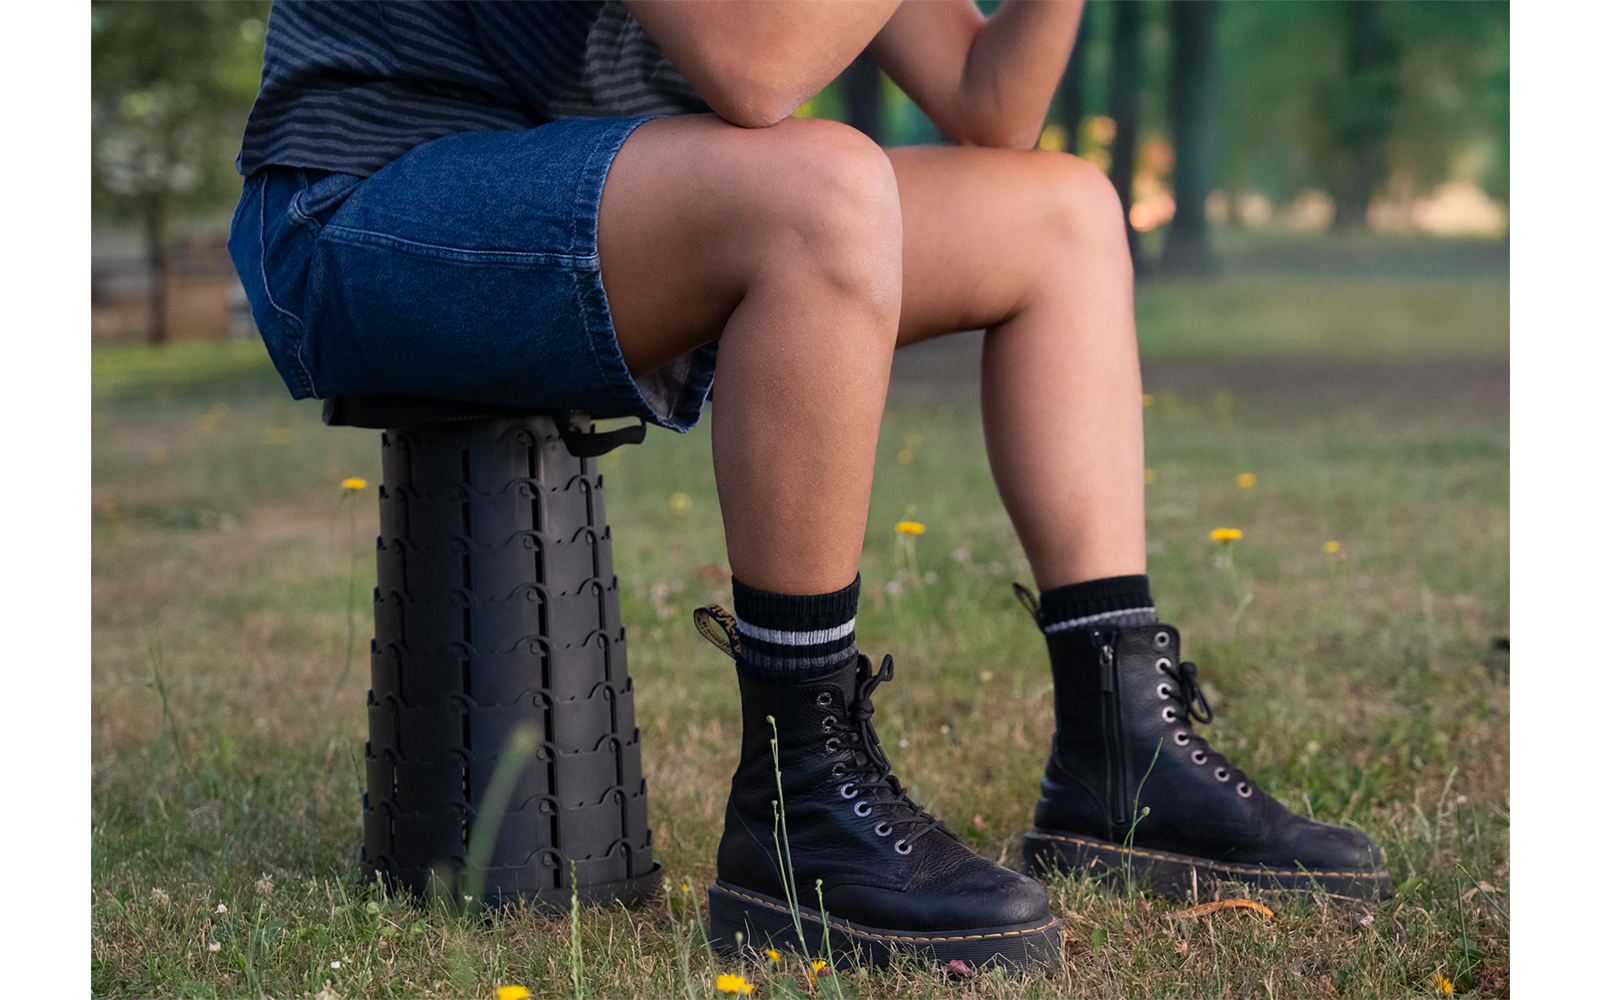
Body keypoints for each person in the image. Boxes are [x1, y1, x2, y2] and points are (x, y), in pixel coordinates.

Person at [229, 0, 1389, 970]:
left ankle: (1119, 748)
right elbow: (757, 66)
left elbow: (992, 102)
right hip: (361, 220)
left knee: (1063, 215)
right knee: (820, 184)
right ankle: (797, 791)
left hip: (594, 199)